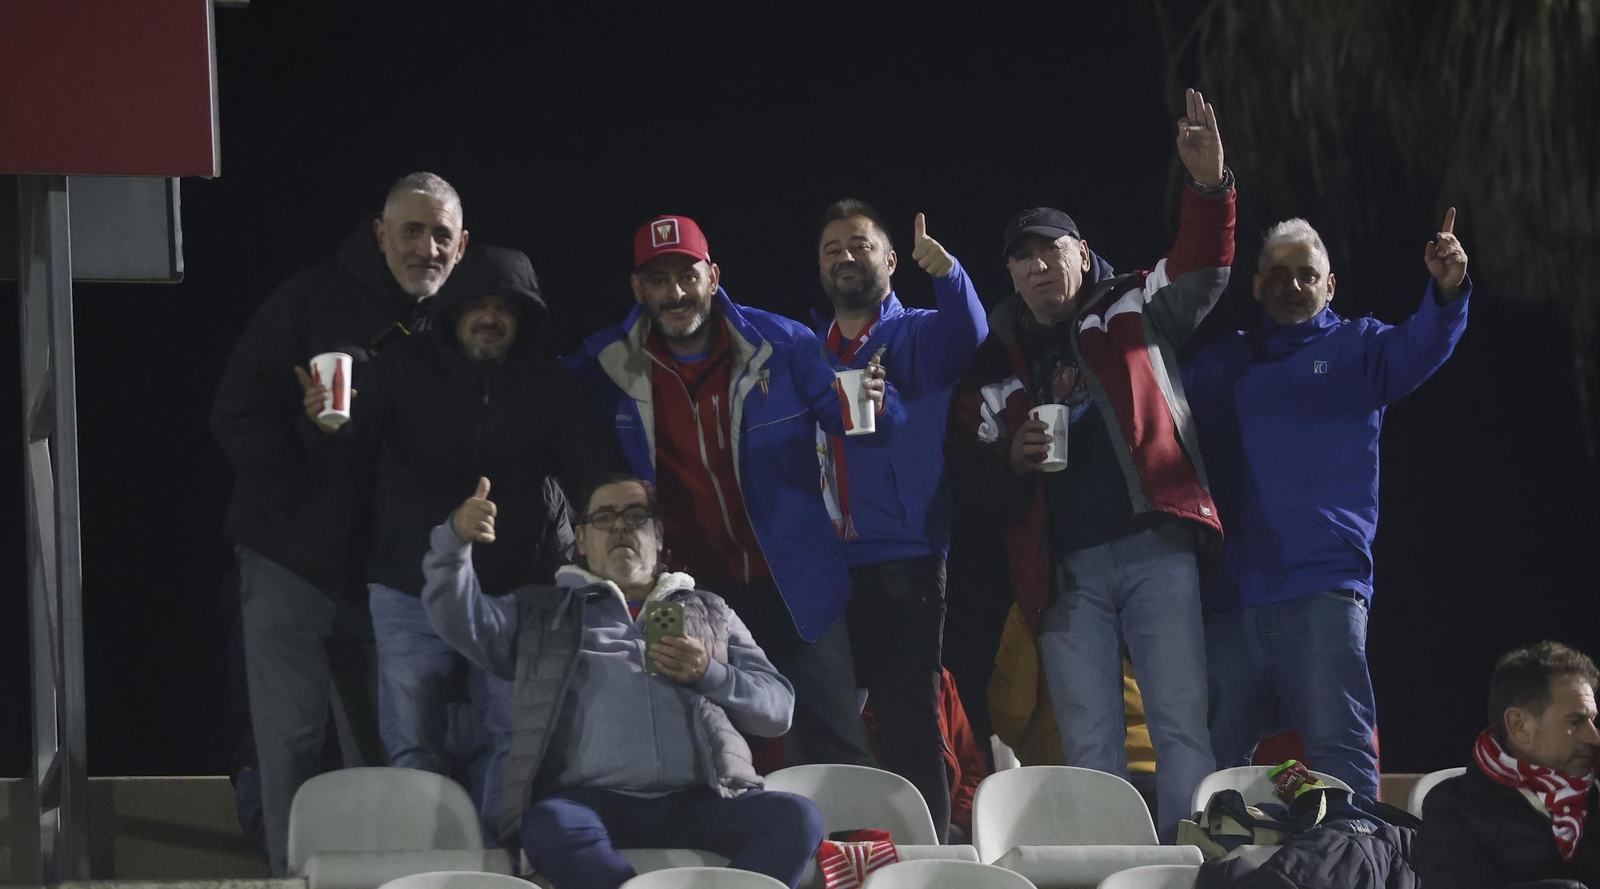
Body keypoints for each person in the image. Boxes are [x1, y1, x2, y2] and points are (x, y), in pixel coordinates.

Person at [946, 89, 1234, 841]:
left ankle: (1187, 863)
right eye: (1022, 259)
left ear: (1082, 252)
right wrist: (1009, 457)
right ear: (1009, 277)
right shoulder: (994, 362)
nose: (1039, 267)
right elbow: (968, 470)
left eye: (1051, 250)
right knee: (1089, 744)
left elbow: (1202, 266)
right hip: (1064, 570)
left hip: (1154, 547)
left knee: (1181, 725)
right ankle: (1114, 868)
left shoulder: (1134, 304)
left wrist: (1209, 188)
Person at [569, 214, 904, 769]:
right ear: (637, 288)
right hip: (687, 593)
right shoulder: (604, 364)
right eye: (658, 280)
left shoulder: (784, 342)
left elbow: (855, 421)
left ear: (714, 275)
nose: (675, 293)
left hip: (797, 583)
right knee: (705, 749)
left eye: (688, 275)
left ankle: (856, 854)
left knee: (835, 744)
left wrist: (879, 406)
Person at [211, 171, 468, 876]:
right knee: (290, 740)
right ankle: (292, 877)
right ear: (379, 233)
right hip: (291, 565)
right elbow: (235, 412)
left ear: (463, 245)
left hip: (389, 578)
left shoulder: (454, 323)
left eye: (440, 234)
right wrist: (301, 491)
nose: (426, 246)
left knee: (382, 747)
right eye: (411, 230)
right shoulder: (310, 298)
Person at [315, 246, 620, 830]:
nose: (488, 317)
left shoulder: (553, 385)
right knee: (412, 740)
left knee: (514, 740)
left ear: (525, 319)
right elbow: (344, 445)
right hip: (408, 584)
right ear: (452, 311)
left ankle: (496, 867)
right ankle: (426, 866)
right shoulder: (403, 367)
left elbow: (591, 473)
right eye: (475, 304)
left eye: (504, 308)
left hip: (514, 592)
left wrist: (620, 527)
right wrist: (325, 419)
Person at [1183, 209, 1471, 797]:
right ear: (1257, 284)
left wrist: (1448, 290)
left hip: (1321, 589)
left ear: (1329, 285)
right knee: (1213, 766)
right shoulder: (1219, 364)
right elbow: (1149, 399)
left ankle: (1358, 868)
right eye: (1279, 274)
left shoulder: (1358, 349)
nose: (1293, 285)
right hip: (1230, 599)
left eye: (1307, 275)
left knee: (1340, 752)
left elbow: (1423, 342)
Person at [421, 473, 825, 889]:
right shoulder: (543, 611)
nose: (619, 527)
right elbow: (459, 620)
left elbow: (778, 711)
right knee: (547, 824)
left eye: (635, 516)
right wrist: (453, 544)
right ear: (580, 540)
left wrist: (710, 674)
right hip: (591, 801)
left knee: (797, 818)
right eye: (603, 518)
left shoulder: (711, 610)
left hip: (704, 798)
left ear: (659, 534)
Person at [810, 201, 986, 841]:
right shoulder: (809, 350)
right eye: (831, 248)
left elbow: (970, 333)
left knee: (909, 715)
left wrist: (949, 274)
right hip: (825, 561)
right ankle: (845, 849)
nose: (845, 256)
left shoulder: (914, 333)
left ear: (889, 259)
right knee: (831, 718)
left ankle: (926, 858)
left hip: (903, 556)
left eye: (859, 244)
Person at [1417, 642, 1600, 887]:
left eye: (1593, 720)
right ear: (1519, 725)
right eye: (1575, 722)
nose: (1593, 737)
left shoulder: (1594, 795)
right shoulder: (1453, 806)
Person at [988, 603, 1158, 817]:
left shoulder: (1038, 597)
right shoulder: (1159, 593)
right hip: (1159, 779)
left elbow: (1012, 711)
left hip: (1066, 782)